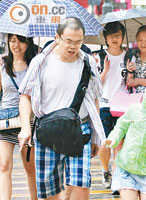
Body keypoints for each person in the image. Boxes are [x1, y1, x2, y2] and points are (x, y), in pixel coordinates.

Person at [17, 17, 105, 200]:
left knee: (81, 184)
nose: (73, 47)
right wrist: (25, 127)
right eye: (69, 41)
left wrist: (96, 136)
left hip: (79, 129)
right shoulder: (40, 62)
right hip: (48, 132)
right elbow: (25, 95)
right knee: (50, 192)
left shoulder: (88, 62)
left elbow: (94, 99)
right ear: (57, 37)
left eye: (79, 42)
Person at [0, 34, 38, 200]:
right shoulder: (2, 64)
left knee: (30, 169)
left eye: (20, 41)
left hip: (28, 122)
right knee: (3, 166)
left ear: (28, 42)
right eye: (12, 40)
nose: (16, 45)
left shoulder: (34, 65)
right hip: (5, 121)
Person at [93, 21, 127, 190]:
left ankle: (118, 178)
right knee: (105, 143)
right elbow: (95, 84)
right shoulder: (98, 56)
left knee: (119, 143)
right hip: (104, 105)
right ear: (105, 38)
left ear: (122, 37)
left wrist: (132, 71)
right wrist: (105, 70)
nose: (115, 38)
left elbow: (129, 82)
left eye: (118, 35)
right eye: (111, 35)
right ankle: (106, 171)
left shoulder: (128, 56)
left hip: (122, 105)